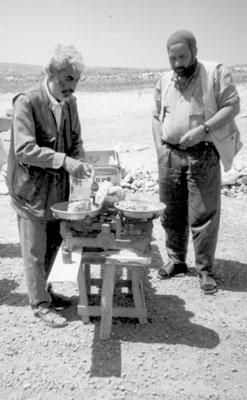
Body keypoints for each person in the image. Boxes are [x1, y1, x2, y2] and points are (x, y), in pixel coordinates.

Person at [7, 43, 91, 327]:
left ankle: (49, 292)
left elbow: (76, 139)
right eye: (68, 79)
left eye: (76, 81)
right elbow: (23, 149)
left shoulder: (70, 103)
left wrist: (79, 160)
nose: (73, 87)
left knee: (54, 243)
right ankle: (39, 304)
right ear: (52, 73)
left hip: (57, 190)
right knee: (34, 248)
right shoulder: (27, 102)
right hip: (30, 190)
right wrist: (64, 160)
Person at [152, 30, 241, 294]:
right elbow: (156, 116)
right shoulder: (165, 80)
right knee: (171, 213)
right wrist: (160, 149)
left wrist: (203, 129)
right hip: (170, 155)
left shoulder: (214, 73)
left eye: (182, 56)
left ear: (194, 52)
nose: (178, 63)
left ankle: (205, 270)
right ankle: (176, 260)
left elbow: (232, 106)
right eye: (173, 58)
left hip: (203, 152)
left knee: (203, 214)